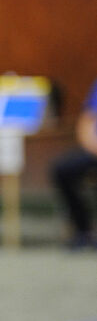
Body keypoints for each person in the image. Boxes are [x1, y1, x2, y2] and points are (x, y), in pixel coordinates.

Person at [50, 78, 97, 249]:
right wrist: (92, 146)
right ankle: (83, 230)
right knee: (63, 169)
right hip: (94, 150)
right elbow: (86, 121)